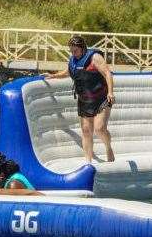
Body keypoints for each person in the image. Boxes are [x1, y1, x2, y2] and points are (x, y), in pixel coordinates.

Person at [43, 35, 115, 163]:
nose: (73, 53)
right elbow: (68, 72)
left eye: (75, 50)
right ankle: (88, 162)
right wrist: (53, 76)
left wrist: (110, 92)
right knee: (86, 131)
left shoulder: (95, 58)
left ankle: (108, 148)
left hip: (101, 98)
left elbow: (107, 73)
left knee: (99, 129)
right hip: (85, 100)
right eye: (71, 51)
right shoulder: (73, 60)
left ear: (83, 48)